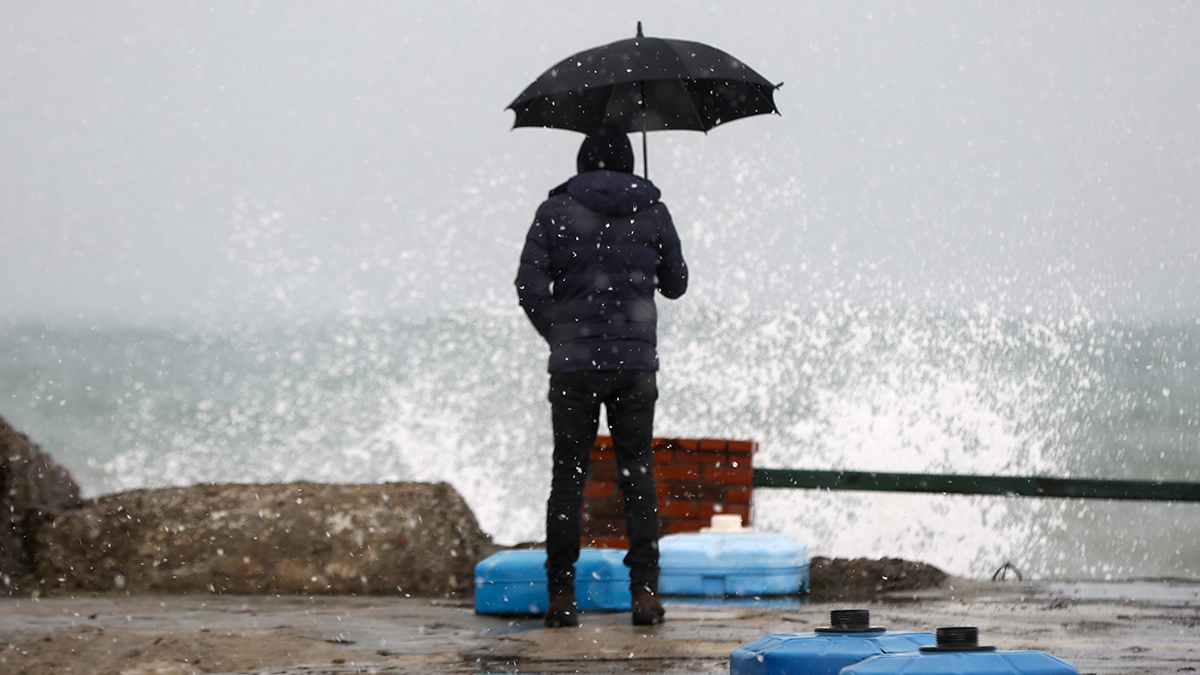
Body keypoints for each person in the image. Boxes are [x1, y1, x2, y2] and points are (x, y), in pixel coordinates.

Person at [515, 128, 688, 628]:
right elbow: (676, 285)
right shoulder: (653, 209)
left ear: (582, 160)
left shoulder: (554, 211)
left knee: (567, 477)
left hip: (574, 368)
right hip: (634, 366)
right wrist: (649, 234)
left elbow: (528, 285)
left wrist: (562, 336)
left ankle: (562, 597)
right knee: (637, 475)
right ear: (631, 162)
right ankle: (645, 595)